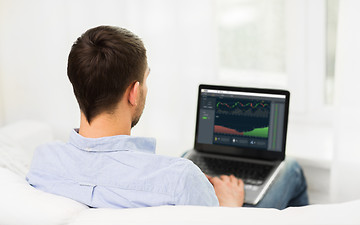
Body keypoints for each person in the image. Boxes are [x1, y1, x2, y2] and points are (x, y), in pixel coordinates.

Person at [26, 25, 308, 209]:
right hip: (225, 217)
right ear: (133, 93)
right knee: (291, 169)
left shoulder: (43, 161)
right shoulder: (179, 178)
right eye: (145, 80)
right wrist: (230, 207)